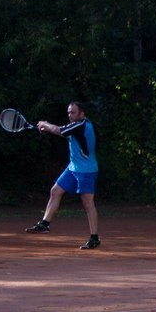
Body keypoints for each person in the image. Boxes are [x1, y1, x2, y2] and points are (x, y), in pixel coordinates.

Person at [26, 101, 101, 249]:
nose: (70, 115)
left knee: (87, 204)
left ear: (82, 114)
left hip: (86, 170)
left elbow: (61, 131)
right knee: (55, 191)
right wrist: (47, 129)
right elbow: (65, 132)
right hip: (73, 168)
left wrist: (45, 124)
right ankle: (44, 224)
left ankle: (94, 238)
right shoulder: (76, 126)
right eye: (68, 113)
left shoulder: (81, 124)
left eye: (73, 112)